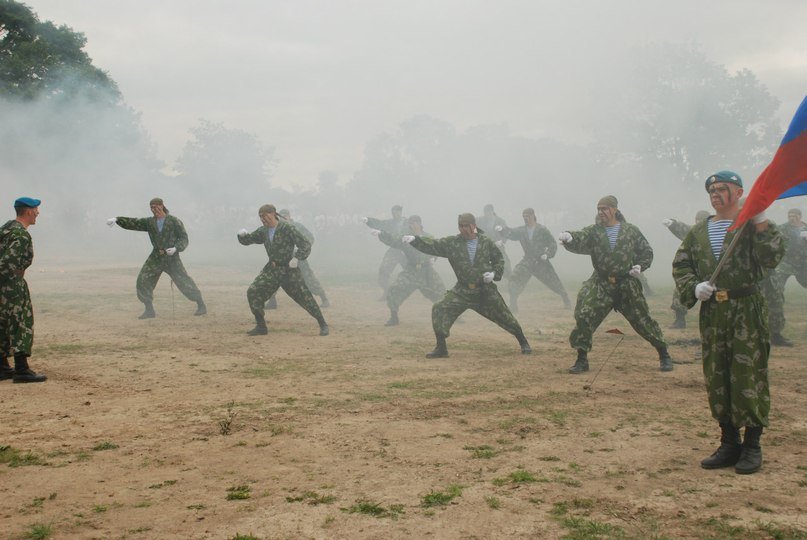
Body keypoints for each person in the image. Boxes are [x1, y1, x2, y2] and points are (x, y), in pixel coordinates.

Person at [672, 170, 784, 475]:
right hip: (714, 312)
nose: (715, 193)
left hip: (745, 308)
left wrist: (760, 219)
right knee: (717, 373)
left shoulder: (751, 225)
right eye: (711, 190)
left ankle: (752, 445)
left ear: (739, 192)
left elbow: (772, 257)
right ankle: (729, 442)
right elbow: (682, 263)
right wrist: (693, 286)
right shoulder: (699, 231)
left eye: (722, 189)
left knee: (748, 374)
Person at [560, 195, 673, 374]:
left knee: (642, 320)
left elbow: (646, 251)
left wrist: (640, 266)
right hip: (601, 283)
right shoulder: (594, 231)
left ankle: (664, 354)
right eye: (598, 209)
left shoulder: (630, 230)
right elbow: (581, 238)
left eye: (604, 208)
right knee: (584, 315)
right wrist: (570, 237)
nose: (601, 212)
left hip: (625, 283)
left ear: (614, 210)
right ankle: (582, 359)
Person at [405, 213, 532, 357]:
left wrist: (494, 274)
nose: (463, 229)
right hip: (463, 290)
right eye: (460, 226)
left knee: (505, 316)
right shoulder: (453, 243)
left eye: (466, 226)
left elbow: (499, 260)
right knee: (439, 308)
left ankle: (523, 341)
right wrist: (415, 240)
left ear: (473, 226)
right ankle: (441, 348)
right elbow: (434, 245)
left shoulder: (485, 242)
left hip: (484, 291)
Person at [238, 204, 329, 336]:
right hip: (272, 269)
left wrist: (297, 258)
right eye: (261, 217)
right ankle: (261, 326)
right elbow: (250, 240)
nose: (263, 219)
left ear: (273, 214)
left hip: (289, 270)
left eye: (265, 216)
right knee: (253, 291)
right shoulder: (263, 231)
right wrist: (242, 236)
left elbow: (305, 244)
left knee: (305, 298)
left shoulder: (287, 228)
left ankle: (322, 323)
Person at [108, 198, 206, 319]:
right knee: (143, 279)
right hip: (156, 256)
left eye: (156, 207)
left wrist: (176, 248)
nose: (154, 210)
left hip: (171, 258)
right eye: (151, 207)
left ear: (162, 206)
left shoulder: (174, 221)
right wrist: (118, 219)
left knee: (183, 280)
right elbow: (134, 222)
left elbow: (184, 238)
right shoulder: (150, 222)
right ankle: (149, 310)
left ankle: (201, 304)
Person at [0, 197, 47, 383]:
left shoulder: (5, 229)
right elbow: (7, 263)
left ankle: (2, 367)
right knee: (21, 323)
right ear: (28, 211)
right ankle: (21, 370)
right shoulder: (20, 234)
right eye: (36, 209)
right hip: (11, 284)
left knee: (2, 323)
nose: (38, 213)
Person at [369, 215, 446, 326]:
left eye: (413, 223)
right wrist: (381, 234)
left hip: (426, 271)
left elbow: (435, 248)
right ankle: (394, 318)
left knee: (441, 293)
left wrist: (434, 258)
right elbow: (393, 239)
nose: (411, 225)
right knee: (394, 289)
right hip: (411, 270)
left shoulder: (428, 236)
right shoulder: (406, 238)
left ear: (419, 223)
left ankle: (453, 315)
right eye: (410, 224)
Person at [496, 207, 571, 312]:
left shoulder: (542, 230)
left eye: (527, 216)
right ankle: (513, 305)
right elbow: (511, 233)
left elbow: (552, 243)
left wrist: (547, 254)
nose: (525, 218)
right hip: (527, 261)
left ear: (532, 216)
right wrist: (502, 230)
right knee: (515, 278)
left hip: (540, 261)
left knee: (553, 281)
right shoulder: (522, 230)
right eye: (524, 216)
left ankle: (566, 299)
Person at [265, 209, 330, 309]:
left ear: (289, 216)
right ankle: (272, 301)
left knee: (308, 278)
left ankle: (324, 299)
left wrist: (299, 251)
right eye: (281, 217)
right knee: (275, 277)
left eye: (285, 216)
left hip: (298, 258)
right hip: (283, 259)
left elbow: (310, 238)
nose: (283, 219)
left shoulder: (298, 226)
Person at [662, 210, 710, 328]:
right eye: (697, 219)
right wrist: (673, 223)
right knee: (679, 291)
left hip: (709, 270)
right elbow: (683, 228)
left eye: (701, 219)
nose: (698, 222)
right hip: (693, 269)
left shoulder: (713, 232)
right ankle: (680, 320)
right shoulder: (694, 232)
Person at [769, 208, 807, 345]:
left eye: (794, 216)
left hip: (803, 263)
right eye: (789, 216)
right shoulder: (782, 228)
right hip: (785, 262)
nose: (792, 218)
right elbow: (772, 241)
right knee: (776, 292)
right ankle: (775, 332)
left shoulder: (806, 228)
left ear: (800, 216)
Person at [362, 205, 408, 300]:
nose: (395, 214)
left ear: (401, 212)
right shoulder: (390, 223)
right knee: (383, 271)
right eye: (393, 212)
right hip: (394, 250)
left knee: (415, 272)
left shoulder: (407, 223)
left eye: (397, 212)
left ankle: (425, 289)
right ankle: (387, 292)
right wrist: (368, 220)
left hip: (407, 251)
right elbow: (379, 223)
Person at [476, 204, 512, 280]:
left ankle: (510, 280)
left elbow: (506, 233)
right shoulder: (479, 221)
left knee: (505, 262)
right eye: (485, 212)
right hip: (484, 246)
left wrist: (502, 241)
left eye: (489, 212)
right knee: (480, 263)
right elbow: (473, 227)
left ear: (492, 211)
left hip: (498, 246)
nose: (487, 214)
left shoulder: (500, 221)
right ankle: (481, 280)